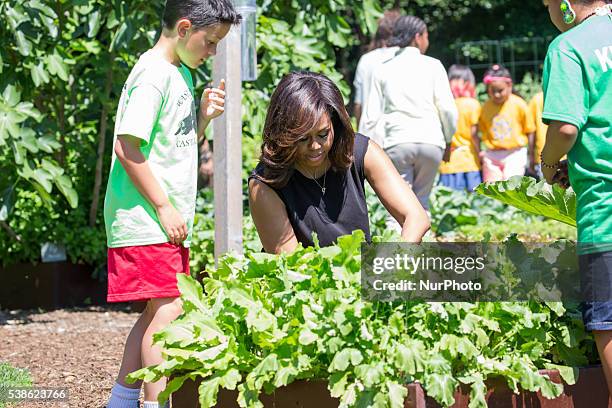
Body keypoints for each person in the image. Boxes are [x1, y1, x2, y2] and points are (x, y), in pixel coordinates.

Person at [103, 1, 241, 407]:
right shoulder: (153, 76)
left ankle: (123, 401)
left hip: (162, 220)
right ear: (184, 29)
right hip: (148, 218)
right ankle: (155, 404)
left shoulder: (177, 72)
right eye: (211, 42)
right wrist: (164, 207)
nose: (212, 52)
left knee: (155, 313)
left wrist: (200, 120)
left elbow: (165, 147)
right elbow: (127, 147)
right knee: (170, 313)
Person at [248, 71, 430, 254]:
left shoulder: (360, 151)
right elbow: (291, 263)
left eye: (323, 134)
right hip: (306, 279)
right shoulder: (265, 183)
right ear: (283, 134)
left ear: (335, 122)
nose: (315, 146)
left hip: (360, 273)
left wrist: (394, 262)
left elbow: (416, 217)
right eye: (302, 139)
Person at [539, 0, 612, 395]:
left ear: (566, 5)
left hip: (607, 212)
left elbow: (566, 129)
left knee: (610, 324)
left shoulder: (570, 46)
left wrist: (549, 165)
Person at [361, 15, 458, 217]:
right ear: (417, 37)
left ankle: (396, 248)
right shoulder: (434, 65)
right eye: (426, 36)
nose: (427, 42)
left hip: (397, 143)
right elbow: (447, 110)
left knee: (397, 209)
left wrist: (364, 152)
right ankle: (424, 247)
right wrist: (448, 140)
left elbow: (370, 116)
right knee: (421, 204)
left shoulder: (382, 69)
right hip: (431, 143)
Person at [478, 64, 536, 182]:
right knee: (492, 188)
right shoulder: (485, 107)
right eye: (492, 91)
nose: (496, 94)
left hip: (515, 153)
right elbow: (483, 131)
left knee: (512, 185)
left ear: (509, 86)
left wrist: (531, 155)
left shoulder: (519, 104)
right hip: (492, 154)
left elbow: (530, 131)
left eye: (500, 90)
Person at [353, 9, 401, 142]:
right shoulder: (403, 57)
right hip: (397, 133)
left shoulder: (366, 60)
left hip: (370, 135)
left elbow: (358, 103)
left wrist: (359, 134)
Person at [438, 65, 483, 192]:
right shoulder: (473, 104)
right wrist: (480, 153)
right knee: (476, 203)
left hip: (448, 163)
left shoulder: (444, 104)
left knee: (450, 204)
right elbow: (474, 134)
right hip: (470, 161)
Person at [528, 91, 548, 179]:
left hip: (544, 156)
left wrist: (531, 156)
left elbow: (531, 131)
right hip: (543, 156)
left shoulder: (537, 99)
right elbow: (531, 129)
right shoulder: (537, 99)